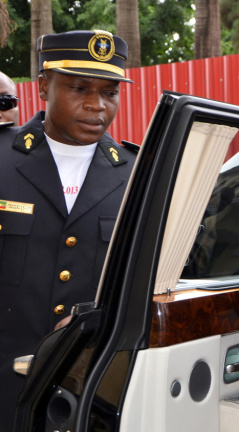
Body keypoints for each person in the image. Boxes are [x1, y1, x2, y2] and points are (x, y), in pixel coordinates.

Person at [0, 30, 135, 427]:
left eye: (109, 92)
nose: (96, 105)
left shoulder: (136, 175)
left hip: (87, 393)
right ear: (43, 86)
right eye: (79, 88)